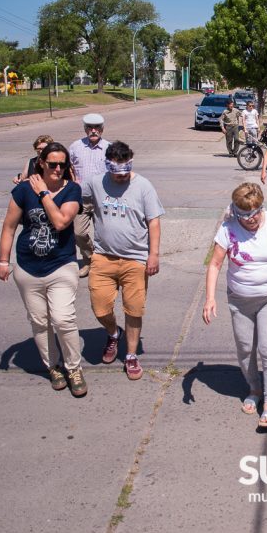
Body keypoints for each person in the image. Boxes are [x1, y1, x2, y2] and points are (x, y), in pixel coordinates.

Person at [0, 142, 87, 397]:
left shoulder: (72, 190)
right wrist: (4, 260)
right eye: (53, 164)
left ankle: (74, 368)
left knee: (63, 318)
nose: (58, 168)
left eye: (62, 164)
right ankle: (53, 366)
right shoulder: (24, 190)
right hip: (27, 267)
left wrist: (45, 193)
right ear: (42, 163)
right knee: (39, 321)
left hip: (61, 265)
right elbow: (9, 226)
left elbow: (60, 222)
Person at [203, 183, 267, 429]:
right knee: (246, 349)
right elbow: (214, 264)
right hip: (238, 299)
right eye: (245, 214)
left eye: (255, 212)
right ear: (235, 211)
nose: (252, 219)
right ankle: (254, 388)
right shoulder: (228, 228)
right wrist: (210, 298)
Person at [84, 141, 164, 381]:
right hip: (103, 257)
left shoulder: (143, 186)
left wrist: (154, 254)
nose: (120, 177)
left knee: (134, 310)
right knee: (100, 307)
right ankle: (112, 333)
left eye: (124, 172)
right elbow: (72, 196)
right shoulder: (95, 183)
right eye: (115, 172)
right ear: (108, 166)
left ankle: (130, 355)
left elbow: (154, 222)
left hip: (136, 260)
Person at [69, 113, 110, 277]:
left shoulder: (109, 148)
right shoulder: (75, 147)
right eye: (90, 128)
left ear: (102, 129)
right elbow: (68, 168)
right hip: (81, 199)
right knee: (78, 232)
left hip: (103, 198)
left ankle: (104, 264)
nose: (94, 131)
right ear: (85, 129)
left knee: (106, 234)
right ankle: (89, 260)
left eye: (97, 128)